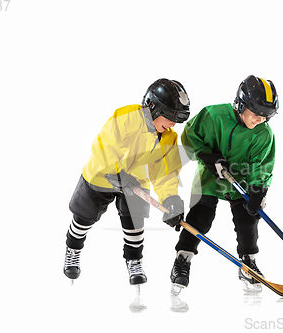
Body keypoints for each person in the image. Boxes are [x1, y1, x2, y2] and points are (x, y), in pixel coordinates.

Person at [64, 78, 190, 285]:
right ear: (153, 108)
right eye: (170, 117)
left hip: (135, 182)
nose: (173, 124)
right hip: (102, 175)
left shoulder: (168, 137)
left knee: (134, 224)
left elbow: (165, 173)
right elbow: (104, 146)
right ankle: (73, 250)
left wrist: (171, 200)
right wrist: (119, 174)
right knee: (84, 218)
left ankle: (134, 261)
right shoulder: (127, 117)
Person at [165, 75, 278, 293]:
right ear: (241, 105)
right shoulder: (213, 115)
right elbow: (190, 135)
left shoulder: (263, 133)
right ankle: (182, 260)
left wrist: (258, 188)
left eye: (266, 116)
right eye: (256, 114)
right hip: (210, 176)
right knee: (200, 217)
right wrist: (207, 155)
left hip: (242, 180)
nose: (260, 120)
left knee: (248, 221)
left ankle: (248, 264)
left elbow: (261, 164)